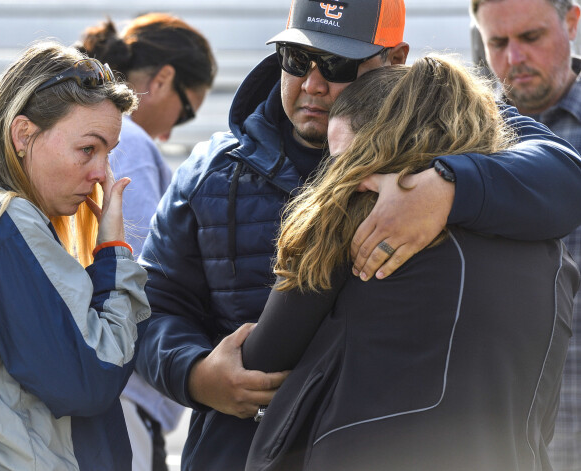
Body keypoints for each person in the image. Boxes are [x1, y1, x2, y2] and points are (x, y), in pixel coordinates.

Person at [137, 0, 581, 469]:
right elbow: (153, 304)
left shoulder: (462, 130)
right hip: (239, 451)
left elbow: (567, 175)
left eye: (338, 63)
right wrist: (196, 374)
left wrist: (447, 186)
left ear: (394, 58)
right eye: (296, 58)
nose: (312, 83)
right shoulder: (210, 172)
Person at [243, 55, 580, 471]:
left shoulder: (353, 215)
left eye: (345, 159)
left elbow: (265, 357)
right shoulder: (549, 250)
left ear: (383, 145)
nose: (335, 175)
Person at [0, 41, 150, 470]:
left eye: (108, 153)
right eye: (88, 148)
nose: (101, 173)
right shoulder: (1, 223)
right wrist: (115, 257)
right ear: (23, 134)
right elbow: (90, 377)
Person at [77, 14, 217, 471]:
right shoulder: (129, 140)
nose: (177, 128)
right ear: (162, 79)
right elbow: (128, 275)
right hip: (121, 398)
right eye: (188, 109)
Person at [472, 1, 581, 468]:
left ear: (572, 21)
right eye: (497, 42)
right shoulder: (460, 139)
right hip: (490, 439)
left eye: (531, 37)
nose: (514, 58)